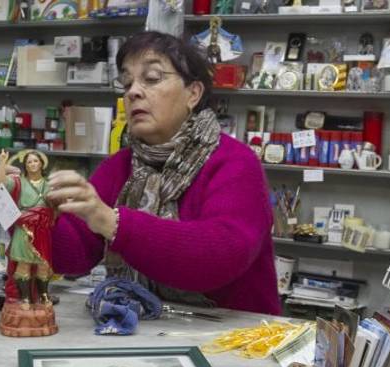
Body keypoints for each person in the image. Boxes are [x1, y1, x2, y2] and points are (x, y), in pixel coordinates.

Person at [47, 31, 280, 314]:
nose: (133, 92)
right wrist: (27, 211)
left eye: (152, 78)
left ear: (193, 94)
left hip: (235, 338)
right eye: (126, 82)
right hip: (143, 329)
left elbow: (222, 256)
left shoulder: (236, 162)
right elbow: (73, 258)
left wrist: (113, 223)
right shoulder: (119, 166)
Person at [0, 149, 55, 307]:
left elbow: (56, 206)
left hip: (43, 229)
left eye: (35, 161)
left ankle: (44, 296)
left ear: (41, 163)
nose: (33, 164)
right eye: (29, 162)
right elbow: (0, 183)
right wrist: (2, 162)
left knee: (43, 265)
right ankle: (25, 298)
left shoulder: (49, 185)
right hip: (24, 229)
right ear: (25, 166)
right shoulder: (18, 182)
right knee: (24, 265)